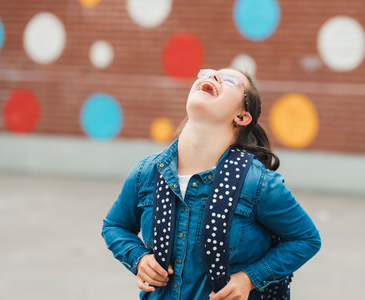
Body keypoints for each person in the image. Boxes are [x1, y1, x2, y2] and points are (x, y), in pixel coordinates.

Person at [101, 68, 321, 300]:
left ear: (242, 117)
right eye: (205, 73)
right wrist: (139, 258)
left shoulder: (258, 183)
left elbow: (305, 239)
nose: (211, 77)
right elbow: (114, 225)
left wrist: (248, 279)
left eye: (229, 80)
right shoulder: (146, 173)